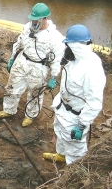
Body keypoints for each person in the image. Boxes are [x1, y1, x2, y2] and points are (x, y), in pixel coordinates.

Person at [0, 3, 65, 127]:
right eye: (32, 19)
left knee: (35, 93)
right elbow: (19, 43)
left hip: (39, 67)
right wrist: (12, 59)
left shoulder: (55, 37)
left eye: (36, 20)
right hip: (23, 60)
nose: (34, 22)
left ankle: (30, 115)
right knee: (12, 87)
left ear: (44, 19)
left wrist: (53, 77)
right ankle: (9, 110)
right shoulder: (27, 28)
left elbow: (57, 59)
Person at [43, 24, 106, 164]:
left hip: (76, 116)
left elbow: (94, 102)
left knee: (75, 147)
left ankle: (72, 172)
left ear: (77, 46)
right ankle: (60, 155)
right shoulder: (74, 59)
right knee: (60, 133)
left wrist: (82, 125)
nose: (67, 48)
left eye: (69, 45)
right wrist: (54, 78)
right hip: (63, 107)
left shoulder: (91, 68)